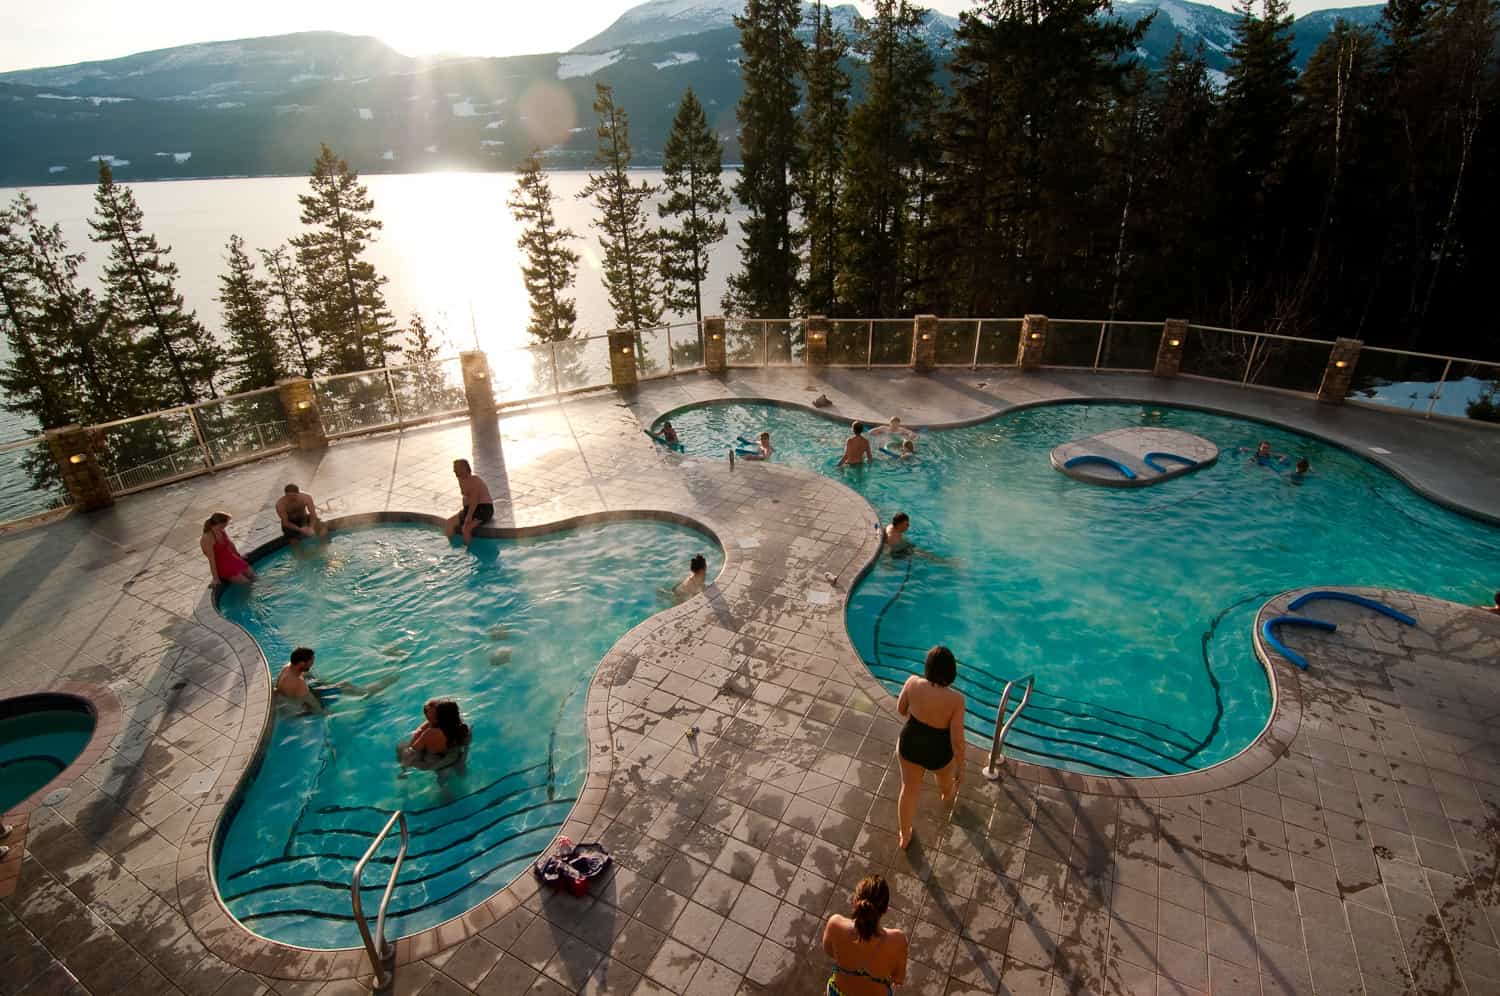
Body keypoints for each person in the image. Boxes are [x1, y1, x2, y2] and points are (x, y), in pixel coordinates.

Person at [896, 646, 966, 850]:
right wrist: (961, 767)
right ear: (951, 672)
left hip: (910, 744)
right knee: (945, 783)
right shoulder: (956, 700)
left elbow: (901, 709)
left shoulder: (912, 683)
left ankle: (905, 834)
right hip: (939, 752)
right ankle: (946, 797)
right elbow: (957, 739)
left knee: (908, 790)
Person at [822, 875, 907, 996]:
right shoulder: (898, 940)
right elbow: (898, 978)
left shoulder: (835, 924)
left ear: (855, 902)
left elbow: (829, 951)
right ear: (885, 909)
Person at [275, 647, 399, 714]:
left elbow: (302, 677)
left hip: (302, 694)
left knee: (312, 676)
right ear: (301, 663)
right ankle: (368, 693)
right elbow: (315, 706)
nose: (312, 663)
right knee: (345, 686)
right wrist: (330, 713)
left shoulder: (287, 668)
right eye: (310, 662)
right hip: (306, 704)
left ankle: (337, 686)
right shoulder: (298, 683)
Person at [397, 699, 472, 771]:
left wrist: (403, 768)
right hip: (454, 755)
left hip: (434, 760)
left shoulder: (430, 732)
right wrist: (463, 759)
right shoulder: (462, 726)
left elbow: (413, 750)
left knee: (402, 747)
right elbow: (466, 744)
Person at [444, 459, 494, 546]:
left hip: (483, 509)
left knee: (466, 529)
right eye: (454, 469)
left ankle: (469, 552)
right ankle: (451, 547)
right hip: (470, 508)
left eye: (456, 468)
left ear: (464, 469)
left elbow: (474, 500)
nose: (454, 471)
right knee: (449, 523)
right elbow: (467, 496)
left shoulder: (474, 480)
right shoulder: (461, 479)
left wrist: (468, 516)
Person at [201, 512, 255, 585]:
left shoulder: (221, 530)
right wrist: (215, 578)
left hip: (232, 558)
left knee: (253, 576)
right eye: (226, 523)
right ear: (220, 523)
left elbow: (230, 544)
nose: (227, 525)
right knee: (246, 582)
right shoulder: (208, 538)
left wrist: (238, 555)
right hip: (222, 565)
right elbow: (211, 559)